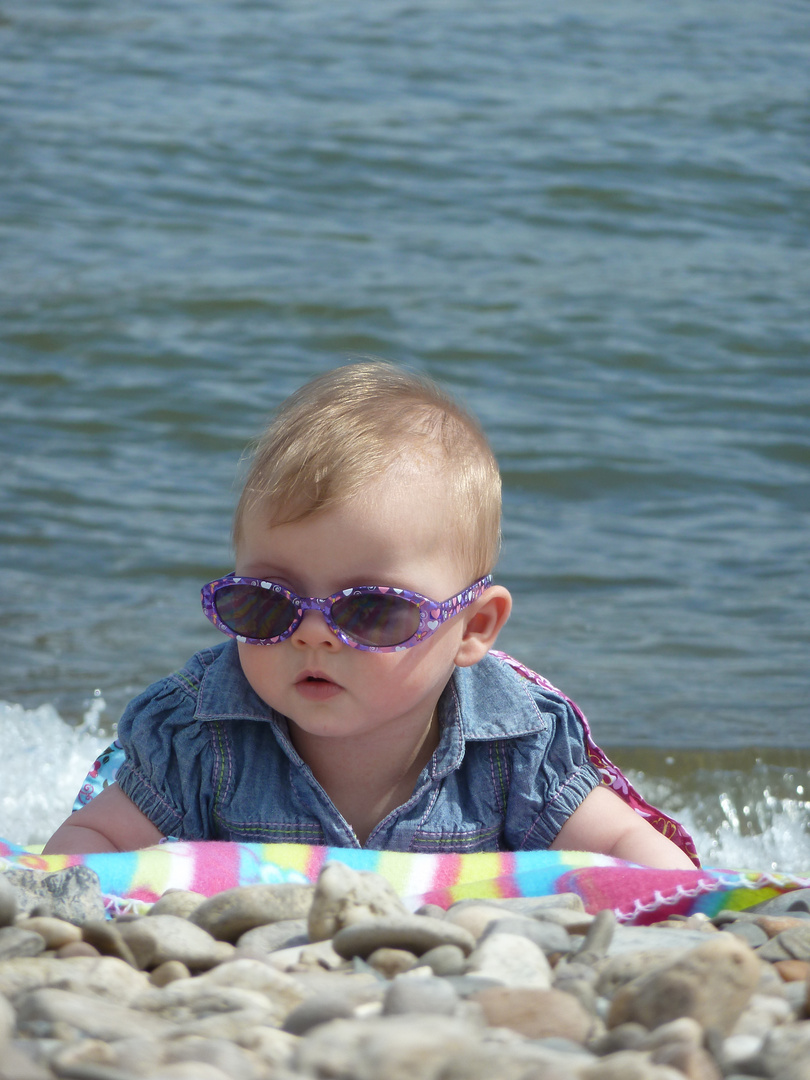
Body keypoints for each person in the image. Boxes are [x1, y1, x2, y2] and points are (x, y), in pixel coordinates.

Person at [44, 362, 697, 868]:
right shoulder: (200, 732)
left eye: (374, 612)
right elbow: (92, 838)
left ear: (472, 629)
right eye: (266, 602)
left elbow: (622, 844)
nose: (312, 633)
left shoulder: (514, 744)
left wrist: (684, 912)